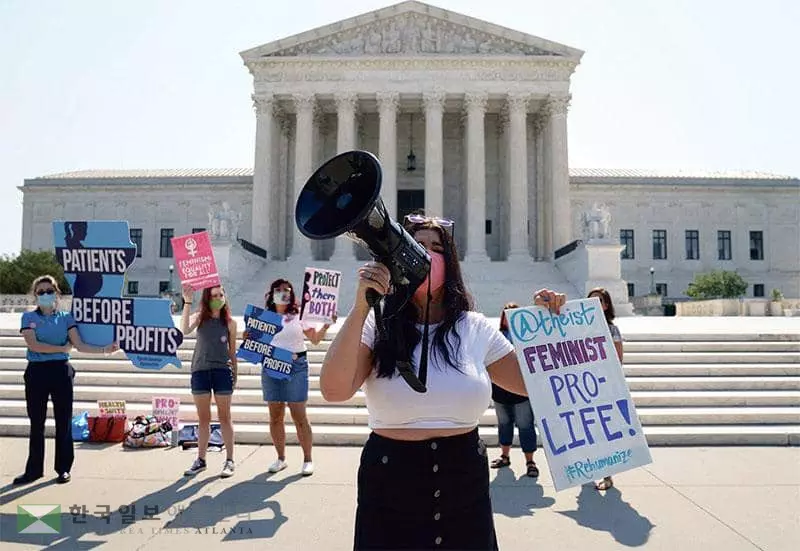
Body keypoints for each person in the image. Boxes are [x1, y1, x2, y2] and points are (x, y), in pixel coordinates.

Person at [320, 214, 566, 550]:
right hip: (391, 483)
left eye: (437, 249)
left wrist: (550, 327)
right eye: (416, 246)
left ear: (450, 263)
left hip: (463, 482)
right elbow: (334, 390)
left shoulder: (475, 328)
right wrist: (362, 305)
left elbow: (533, 383)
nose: (426, 256)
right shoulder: (377, 326)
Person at [13, 275, 118, 485]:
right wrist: (61, 348)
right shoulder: (28, 318)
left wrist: (106, 350)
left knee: (64, 422)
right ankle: (33, 470)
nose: (45, 295)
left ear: (56, 294)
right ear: (35, 296)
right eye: (41, 292)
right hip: (36, 372)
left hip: (61, 371)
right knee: (37, 422)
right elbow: (34, 345)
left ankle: (63, 468)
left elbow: (79, 345)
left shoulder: (66, 318)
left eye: (49, 291)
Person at [262, 278, 334, 477]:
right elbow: (256, 343)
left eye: (287, 290)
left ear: (292, 293)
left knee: (299, 415)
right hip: (272, 366)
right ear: (272, 293)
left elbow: (315, 340)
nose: (283, 292)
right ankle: (281, 458)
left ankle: (308, 459)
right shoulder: (265, 317)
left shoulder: (299, 315)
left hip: (296, 366)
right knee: (275, 415)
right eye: (279, 289)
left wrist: (326, 326)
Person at [180, 284, 238, 478]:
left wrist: (235, 374)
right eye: (215, 295)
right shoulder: (200, 318)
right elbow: (184, 329)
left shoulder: (230, 323)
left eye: (221, 294)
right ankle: (201, 459)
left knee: (225, 417)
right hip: (200, 370)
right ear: (207, 298)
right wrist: (187, 301)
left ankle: (229, 460)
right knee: (203, 418)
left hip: (222, 371)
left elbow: (232, 352)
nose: (219, 298)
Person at [490, 301, 539, 478]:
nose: (509, 318)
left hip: (521, 390)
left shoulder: (528, 337)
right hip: (500, 389)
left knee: (526, 425)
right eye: (506, 314)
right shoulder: (496, 336)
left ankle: (530, 461)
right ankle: (505, 455)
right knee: (504, 424)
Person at [587, 287, 624, 491]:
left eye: (598, 301)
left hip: (604, 386)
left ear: (606, 305)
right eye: (590, 301)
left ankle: (607, 475)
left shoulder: (612, 330)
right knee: (588, 430)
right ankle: (589, 467)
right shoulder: (578, 328)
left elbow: (618, 360)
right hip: (583, 387)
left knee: (604, 431)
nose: (594, 304)